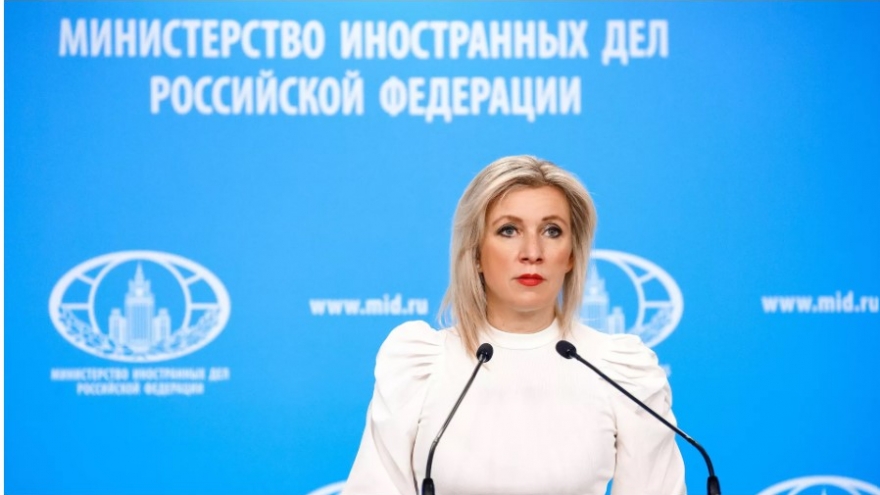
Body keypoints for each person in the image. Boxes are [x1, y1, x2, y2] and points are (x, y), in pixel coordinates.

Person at [341, 156, 685, 495]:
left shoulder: (621, 370)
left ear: (571, 254)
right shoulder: (419, 365)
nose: (532, 252)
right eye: (509, 230)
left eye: (552, 231)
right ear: (475, 251)